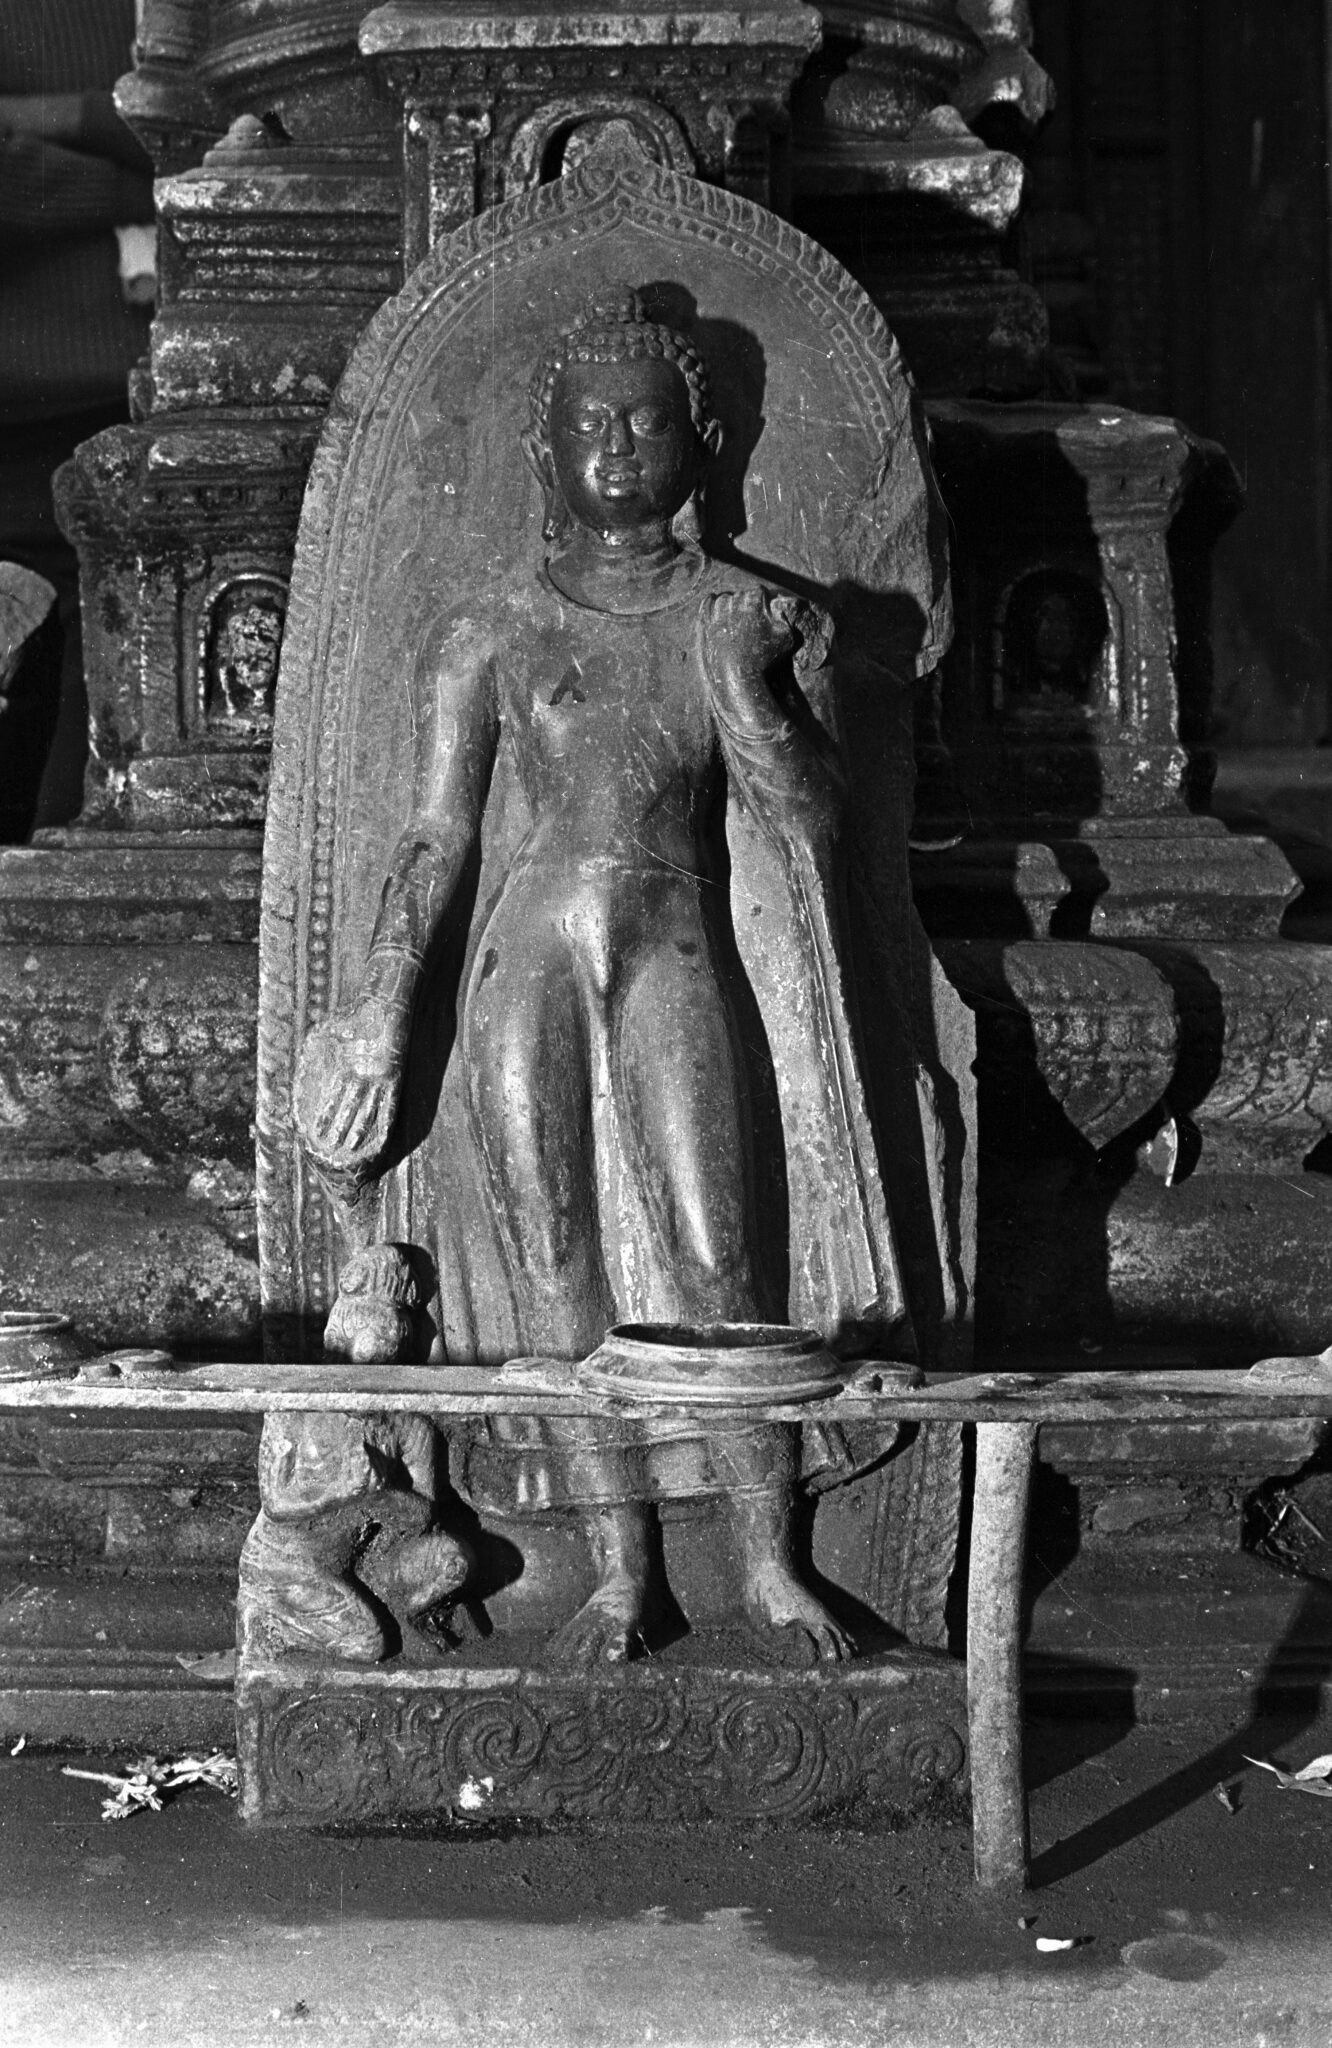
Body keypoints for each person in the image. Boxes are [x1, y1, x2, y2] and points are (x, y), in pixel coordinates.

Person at [292, 288, 909, 1664]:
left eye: (644, 421)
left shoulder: (748, 615)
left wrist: (750, 688)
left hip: (673, 935)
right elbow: (437, 834)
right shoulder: (490, 628)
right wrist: (383, 1006)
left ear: (705, 440)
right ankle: (623, 1575)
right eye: (588, 424)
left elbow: (814, 828)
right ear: (543, 452)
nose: (617, 445)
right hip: (528, 953)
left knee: (718, 1250)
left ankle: (767, 1563)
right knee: (552, 1254)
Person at [0, 0, 154, 830]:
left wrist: (35, 122)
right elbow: (175, 153)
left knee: (107, 746)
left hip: (122, 404)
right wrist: (135, 185)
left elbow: (217, 128)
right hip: (18, 422)